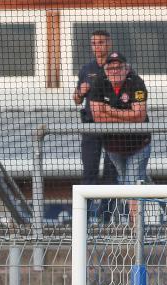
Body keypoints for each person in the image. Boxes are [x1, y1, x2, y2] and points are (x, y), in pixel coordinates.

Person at [89, 51, 152, 220]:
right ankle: (136, 222)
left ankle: (136, 231)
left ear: (126, 68)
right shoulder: (98, 83)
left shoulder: (136, 82)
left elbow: (139, 116)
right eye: (111, 68)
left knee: (132, 185)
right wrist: (126, 114)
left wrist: (109, 110)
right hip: (114, 147)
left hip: (139, 144)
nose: (115, 71)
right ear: (105, 69)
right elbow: (97, 118)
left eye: (119, 67)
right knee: (126, 183)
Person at [73, 30, 118, 221]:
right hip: (91, 128)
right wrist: (81, 91)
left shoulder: (118, 66)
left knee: (111, 172)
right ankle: (85, 218)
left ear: (109, 44)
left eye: (101, 42)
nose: (97, 46)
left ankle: (105, 217)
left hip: (112, 128)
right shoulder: (86, 69)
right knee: (89, 171)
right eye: (93, 43)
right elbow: (76, 99)